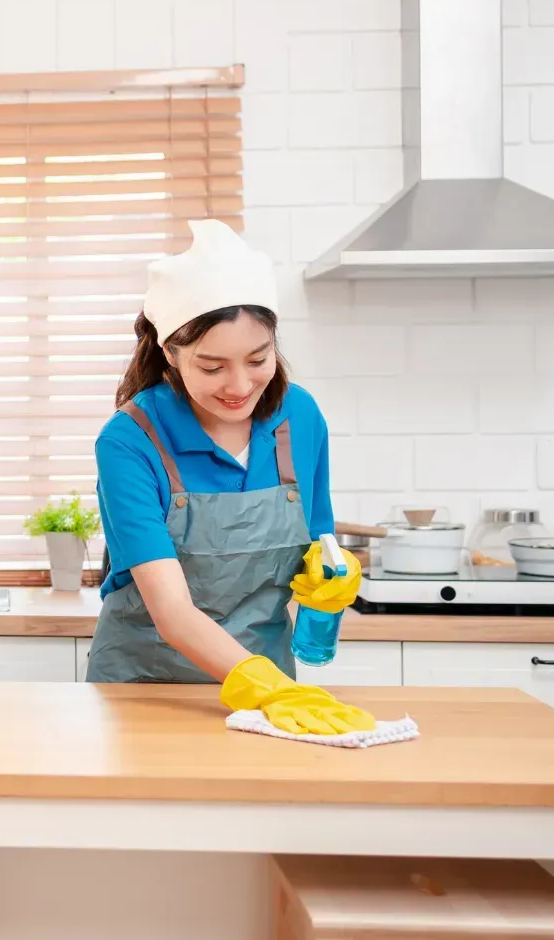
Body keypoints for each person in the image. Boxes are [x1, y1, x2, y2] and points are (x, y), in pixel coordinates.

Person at [86, 220, 372, 736]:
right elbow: (171, 611)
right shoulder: (129, 441)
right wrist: (270, 688)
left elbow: (317, 539)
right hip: (147, 692)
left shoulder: (299, 417)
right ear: (170, 354)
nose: (241, 386)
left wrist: (328, 577)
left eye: (257, 359)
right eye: (212, 366)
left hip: (270, 701)